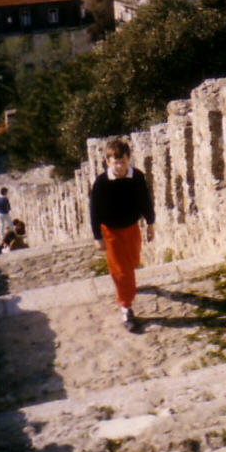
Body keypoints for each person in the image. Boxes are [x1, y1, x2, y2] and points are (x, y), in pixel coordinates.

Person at [89, 139, 154, 333]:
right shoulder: (101, 183)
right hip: (110, 232)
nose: (119, 166)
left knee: (133, 262)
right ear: (107, 162)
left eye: (123, 161)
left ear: (129, 159)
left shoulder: (137, 177)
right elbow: (94, 210)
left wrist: (150, 223)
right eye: (114, 162)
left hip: (132, 227)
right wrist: (97, 236)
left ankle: (127, 287)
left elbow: (145, 201)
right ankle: (126, 308)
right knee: (121, 270)